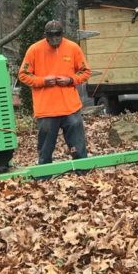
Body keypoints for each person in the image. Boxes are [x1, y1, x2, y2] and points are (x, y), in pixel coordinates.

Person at [18, 20, 91, 165]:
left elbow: (85, 72)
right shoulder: (34, 50)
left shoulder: (73, 48)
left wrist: (70, 80)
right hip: (46, 109)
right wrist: (43, 81)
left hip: (70, 107)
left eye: (57, 35)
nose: (54, 39)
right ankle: (44, 177)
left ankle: (84, 173)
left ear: (62, 34)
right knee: (45, 150)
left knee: (78, 147)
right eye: (51, 36)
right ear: (45, 35)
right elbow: (23, 74)